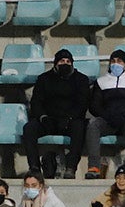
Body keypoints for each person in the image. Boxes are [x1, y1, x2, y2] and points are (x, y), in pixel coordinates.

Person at [22, 49, 91, 179]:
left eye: (68, 61)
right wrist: (43, 117)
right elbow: (36, 102)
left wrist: (70, 118)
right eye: (61, 61)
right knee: (29, 128)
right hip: (49, 120)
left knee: (80, 127)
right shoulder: (44, 79)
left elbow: (83, 103)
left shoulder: (81, 79)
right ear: (55, 63)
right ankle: (35, 168)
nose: (65, 63)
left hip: (71, 120)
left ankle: (71, 167)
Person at [85, 51, 125, 179]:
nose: (115, 64)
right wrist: (108, 116)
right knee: (93, 124)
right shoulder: (101, 81)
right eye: (113, 61)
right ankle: (94, 166)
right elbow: (94, 106)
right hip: (107, 121)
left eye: (119, 61)